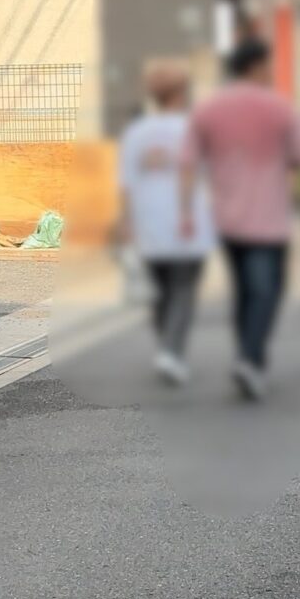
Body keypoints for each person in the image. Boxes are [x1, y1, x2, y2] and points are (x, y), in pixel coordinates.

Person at [181, 35, 300, 400]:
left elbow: (188, 163)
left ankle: (247, 356)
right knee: (267, 290)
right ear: (256, 67)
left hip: (225, 217)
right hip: (268, 217)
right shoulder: (278, 108)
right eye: (267, 65)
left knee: (244, 289)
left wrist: (185, 213)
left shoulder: (208, 110)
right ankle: (249, 358)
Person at [118, 60, 214, 384]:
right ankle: (170, 352)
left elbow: (126, 183)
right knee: (183, 289)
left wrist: (127, 223)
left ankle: (166, 348)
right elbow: (197, 175)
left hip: (149, 224)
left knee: (161, 290)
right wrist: (188, 213)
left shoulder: (136, 133)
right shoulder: (193, 130)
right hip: (186, 222)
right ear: (182, 94)